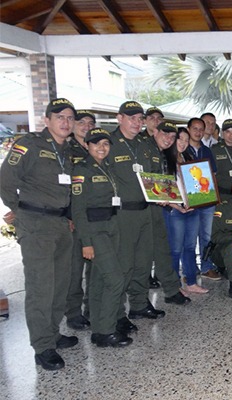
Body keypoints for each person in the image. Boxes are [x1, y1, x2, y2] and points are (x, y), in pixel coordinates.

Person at [0, 98, 77, 370]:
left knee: (60, 284)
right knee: (41, 286)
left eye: (70, 118)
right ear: (47, 120)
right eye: (60, 117)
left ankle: (53, 333)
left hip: (60, 224)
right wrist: (20, 212)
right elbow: (5, 181)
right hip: (36, 225)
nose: (65, 122)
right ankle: (43, 346)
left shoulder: (68, 150)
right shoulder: (29, 144)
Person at [70, 128, 133, 348]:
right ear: (87, 145)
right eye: (96, 143)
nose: (101, 147)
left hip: (111, 227)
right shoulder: (82, 169)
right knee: (115, 279)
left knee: (98, 280)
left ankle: (98, 329)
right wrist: (86, 242)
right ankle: (107, 330)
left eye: (105, 143)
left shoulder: (107, 166)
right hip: (94, 230)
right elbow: (77, 209)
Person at [108, 101, 164, 332]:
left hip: (145, 211)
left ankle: (139, 305)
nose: (137, 122)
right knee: (123, 266)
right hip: (122, 214)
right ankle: (117, 313)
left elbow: (155, 176)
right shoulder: (108, 143)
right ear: (120, 118)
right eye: (132, 118)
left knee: (143, 262)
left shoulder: (144, 144)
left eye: (140, 118)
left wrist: (166, 195)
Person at [144, 121, 193, 305]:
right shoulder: (154, 153)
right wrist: (174, 204)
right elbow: (154, 184)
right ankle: (165, 290)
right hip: (157, 209)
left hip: (168, 208)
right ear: (155, 132)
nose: (170, 139)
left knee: (170, 250)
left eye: (173, 137)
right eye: (168, 135)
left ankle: (173, 289)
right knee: (165, 251)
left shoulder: (179, 157)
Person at [163, 129, 209, 294]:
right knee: (175, 249)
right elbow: (162, 190)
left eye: (186, 140)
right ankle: (175, 285)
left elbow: (197, 185)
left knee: (190, 247)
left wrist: (196, 201)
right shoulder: (164, 160)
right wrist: (176, 206)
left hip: (192, 209)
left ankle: (191, 282)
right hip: (174, 210)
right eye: (179, 139)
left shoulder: (189, 159)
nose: (182, 143)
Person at [64, 109, 95, 331]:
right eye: (81, 122)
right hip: (74, 218)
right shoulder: (66, 150)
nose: (86, 126)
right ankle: (73, 313)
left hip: (97, 217)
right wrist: (69, 214)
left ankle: (92, 307)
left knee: (95, 267)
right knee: (75, 270)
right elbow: (63, 186)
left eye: (90, 123)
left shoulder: (99, 147)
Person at [186, 117, 221, 280]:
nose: (198, 132)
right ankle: (190, 270)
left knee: (207, 236)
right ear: (188, 130)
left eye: (201, 129)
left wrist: (216, 198)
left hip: (207, 200)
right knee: (190, 238)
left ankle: (206, 267)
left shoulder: (207, 150)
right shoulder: (181, 149)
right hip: (190, 201)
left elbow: (213, 174)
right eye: (195, 128)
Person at [211, 119, 232, 198]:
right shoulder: (214, 150)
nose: (231, 135)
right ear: (222, 133)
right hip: (221, 193)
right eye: (228, 132)